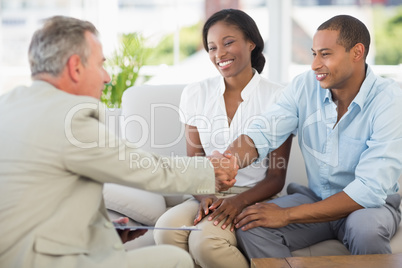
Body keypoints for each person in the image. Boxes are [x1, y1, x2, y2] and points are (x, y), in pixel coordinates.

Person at [0, 16, 238, 268]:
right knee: (175, 260)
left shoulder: (8, 105)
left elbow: (40, 200)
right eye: (100, 65)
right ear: (75, 67)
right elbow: (145, 168)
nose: (106, 77)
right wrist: (211, 170)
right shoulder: (70, 118)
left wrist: (102, 233)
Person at [224, 14, 402, 260]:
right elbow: (263, 132)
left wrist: (286, 215)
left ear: (357, 52)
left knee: (366, 230)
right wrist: (229, 160)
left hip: (370, 207)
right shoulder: (304, 86)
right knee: (252, 224)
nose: (315, 64)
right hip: (317, 196)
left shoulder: (390, 100)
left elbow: (370, 189)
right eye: (314, 53)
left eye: (325, 54)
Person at [154, 9, 292, 268]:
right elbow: (194, 163)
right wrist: (205, 196)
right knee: (165, 230)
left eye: (228, 42)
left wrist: (236, 202)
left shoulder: (279, 97)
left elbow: (276, 177)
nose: (219, 54)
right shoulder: (196, 93)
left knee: (205, 242)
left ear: (251, 42)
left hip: (254, 196)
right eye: (212, 47)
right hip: (207, 194)